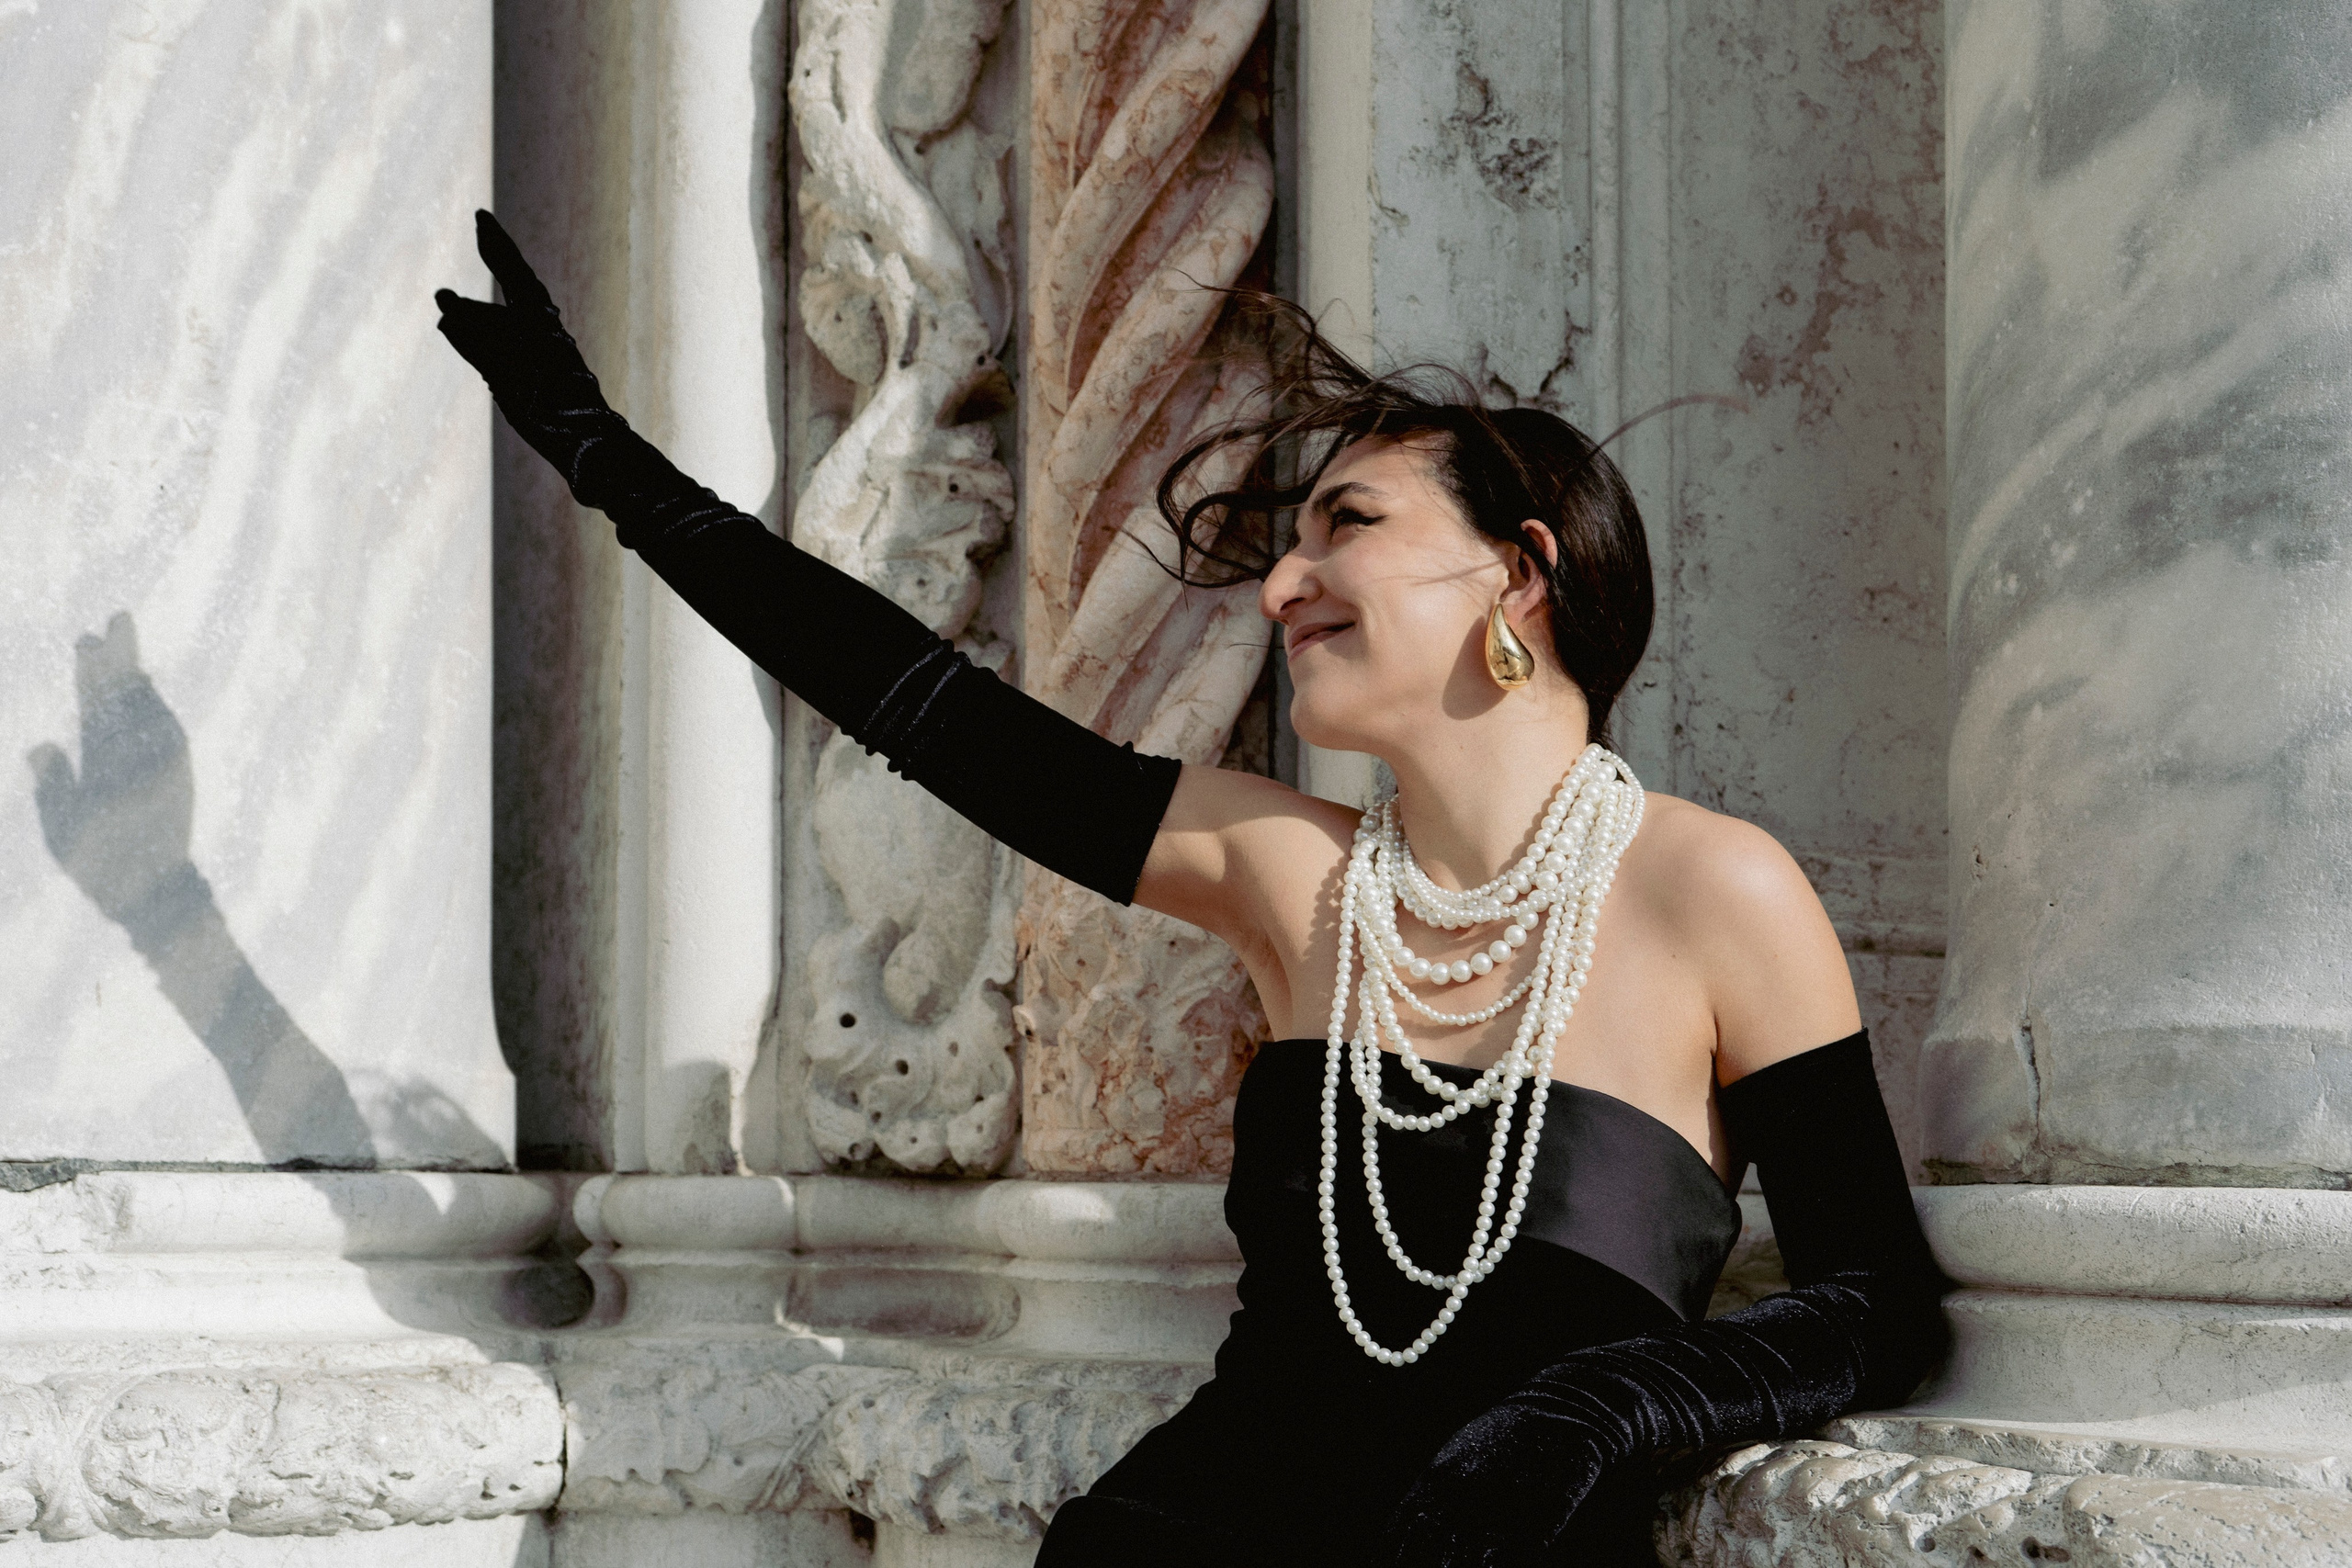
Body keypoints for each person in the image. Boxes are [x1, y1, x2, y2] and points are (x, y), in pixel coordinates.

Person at [436, 210, 1947, 1565]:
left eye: (1349, 524)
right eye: (1289, 546)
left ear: (1521, 572)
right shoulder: (1294, 876)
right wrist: (604, 458)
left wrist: (1598, 1412)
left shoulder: (1715, 891)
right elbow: (926, 711)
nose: (1283, 586)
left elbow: (1876, 1301)